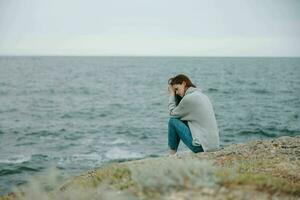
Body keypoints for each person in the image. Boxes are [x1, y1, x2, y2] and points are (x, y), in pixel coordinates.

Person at [168, 74, 219, 155]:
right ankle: (172, 154)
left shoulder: (189, 98)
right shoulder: (202, 95)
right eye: (175, 91)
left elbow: (172, 113)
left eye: (176, 89)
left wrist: (171, 94)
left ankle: (171, 154)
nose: (176, 93)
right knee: (179, 119)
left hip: (202, 148)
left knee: (173, 121)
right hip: (213, 145)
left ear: (184, 84)